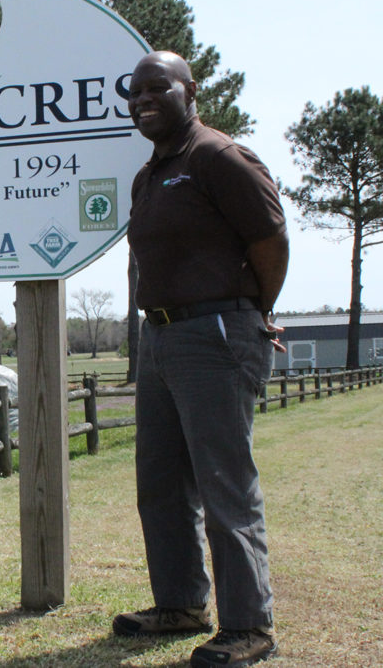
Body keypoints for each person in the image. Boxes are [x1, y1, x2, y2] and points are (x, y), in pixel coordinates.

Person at [113, 51, 289, 668]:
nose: (142, 100)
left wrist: (248, 312)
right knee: (160, 482)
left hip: (216, 332)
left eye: (156, 87)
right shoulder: (151, 173)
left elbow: (271, 238)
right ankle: (181, 605)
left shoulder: (216, 156)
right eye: (133, 92)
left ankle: (250, 627)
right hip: (159, 338)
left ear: (190, 92)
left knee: (223, 484)